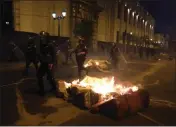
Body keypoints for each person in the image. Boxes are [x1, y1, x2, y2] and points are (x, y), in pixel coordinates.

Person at [37, 31, 60, 96]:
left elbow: (54, 55)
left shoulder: (50, 45)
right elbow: (41, 54)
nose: (42, 38)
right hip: (44, 63)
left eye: (43, 37)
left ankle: (55, 90)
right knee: (39, 75)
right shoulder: (42, 45)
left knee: (50, 77)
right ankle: (42, 91)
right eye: (41, 37)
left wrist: (52, 63)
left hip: (49, 64)